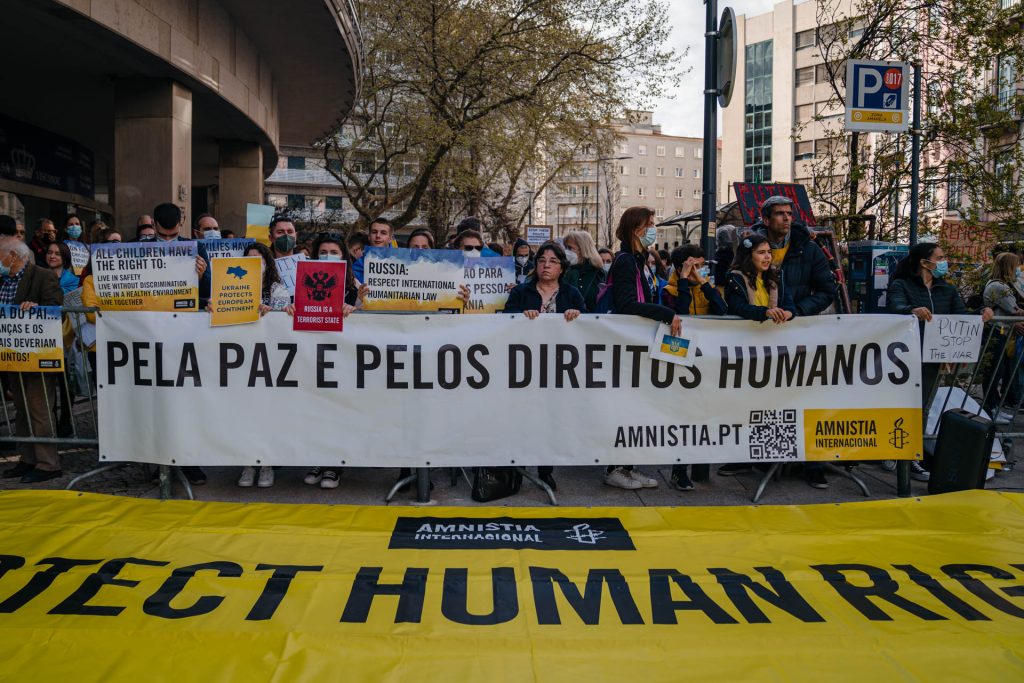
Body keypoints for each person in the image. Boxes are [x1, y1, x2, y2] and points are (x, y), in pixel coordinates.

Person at [888, 241, 994, 481]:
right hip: (904, 358)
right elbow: (895, 308)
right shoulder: (901, 285)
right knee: (900, 405)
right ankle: (894, 450)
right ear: (924, 263)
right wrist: (911, 310)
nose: (944, 261)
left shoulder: (946, 290)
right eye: (941, 257)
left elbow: (960, 316)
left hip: (932, 359)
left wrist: (981, 314)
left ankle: (911, 455)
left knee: (922, 407)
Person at [605, 207, 683, 490]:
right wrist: (665, 313)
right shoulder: (626, 260)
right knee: (626, 406)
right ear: (635, 228)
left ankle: (628, 465)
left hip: (637, 341)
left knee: (637, 406)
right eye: (650, 224)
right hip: (627, 342)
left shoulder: (641, 261)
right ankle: (615, 468)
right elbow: (626, 303)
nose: (654, 229)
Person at [503, 241, 584, 491]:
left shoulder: (571, 294)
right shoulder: (521, 292)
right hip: (523, 367)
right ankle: (518, 469)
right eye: (541, 261)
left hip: (558, 368)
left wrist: (576, 316)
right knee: (520, 419)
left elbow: (591, 325)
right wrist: (520, 318)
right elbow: (504, 324)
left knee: (550, 419)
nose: (546, 265)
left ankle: (545, 470)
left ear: (562, 268)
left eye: (552, 261)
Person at [153, 202, 210, 485]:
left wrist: (199, 277)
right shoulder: (138, 249)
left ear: (181, 225)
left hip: (186, 336)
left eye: (172, 236)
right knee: (155, 400)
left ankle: (189, 462)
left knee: (186, 401)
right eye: (162, 237)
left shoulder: (196, 248)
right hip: (151, 335)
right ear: (153, 227)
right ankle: (155, 462)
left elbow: (211, 292)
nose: (167, 241)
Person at [0, 237, 64, 483]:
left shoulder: (42, 276)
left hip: (37, 355)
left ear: (13, 256)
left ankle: (48, 463)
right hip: (11, 354)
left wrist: (35, 307)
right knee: (21, 409)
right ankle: (27, 458)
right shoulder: (4, 279)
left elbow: (55, 306)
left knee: (39, 408)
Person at [982, 252, 1024, 424]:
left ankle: (995, 406)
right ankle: (990, 408)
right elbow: (1016, 311)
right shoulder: (999, 287)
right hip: (996, 333)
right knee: (993, 372)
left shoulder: (1001, 285)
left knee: (998, 372)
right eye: (1016, 266)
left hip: (1002, 333)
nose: (1018, 270)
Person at [664, 244, 727, 316]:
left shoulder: (710, 287)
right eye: (695, 266)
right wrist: (683, 279)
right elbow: (682, 314)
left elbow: (722, 310)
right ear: (680, 270)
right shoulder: (669, 291)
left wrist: (703, 282)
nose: (700, 269)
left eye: (703, 265)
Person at [562, 230, 605, 312]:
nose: (566, 251)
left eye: (570, 248)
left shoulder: (599, 274)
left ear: (583, 249)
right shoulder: (565, 270)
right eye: (566, 247)